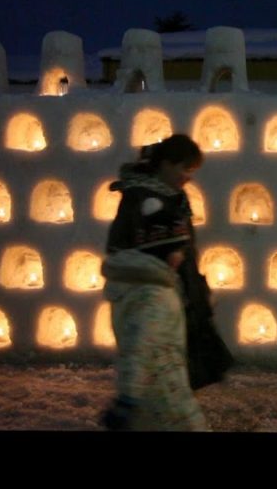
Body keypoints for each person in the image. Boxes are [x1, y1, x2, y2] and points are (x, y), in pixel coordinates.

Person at [99, 134, 231, 431]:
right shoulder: (144, 203)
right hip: (161, 293)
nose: (188, 177)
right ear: (167, 163)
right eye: (185, 168)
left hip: (170, 291)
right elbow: (139, 344)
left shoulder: (169, 198)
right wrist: (127, 400)